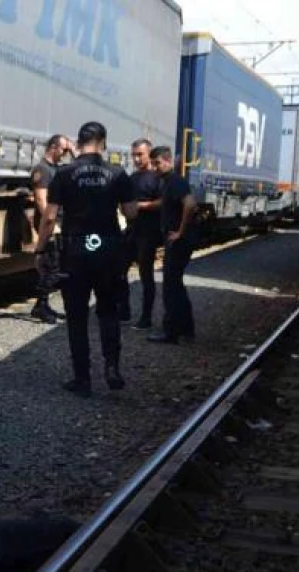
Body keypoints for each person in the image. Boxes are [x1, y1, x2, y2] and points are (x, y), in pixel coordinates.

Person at [35, 122, 138, 397]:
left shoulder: (64, 173)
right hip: (107, 251)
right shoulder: (117, 174)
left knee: (77, 317)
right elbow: (131, 213)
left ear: (79, 142)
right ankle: (112, 368)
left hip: (75, 253)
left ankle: (83, 379)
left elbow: (48, 216)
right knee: (108, 311)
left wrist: (40, 248)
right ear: (102, 142)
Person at [147, 146, 198, 344]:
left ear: (168, 161)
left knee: (171, 286)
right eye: (153, 163)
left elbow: (190, 204)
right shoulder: (168, 182)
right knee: (174, 285)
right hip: (177, 241)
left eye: (157, 162)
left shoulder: (175, 181)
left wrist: (180, 232)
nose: (154, 167)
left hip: (179, 242)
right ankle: (184, 331)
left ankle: (173, 332)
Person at [118, 138, 164, 329]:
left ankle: (145, 318)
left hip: (148, 233)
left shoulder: (157, 178)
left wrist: (141, 206)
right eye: (134, 155)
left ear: (149, 154)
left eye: (140, 155)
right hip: (131, 230)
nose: (136, 159)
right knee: (119, 271)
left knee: (146, 275)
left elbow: (164, 201)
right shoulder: (132, 178)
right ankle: (124, 312)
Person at [28, 134, 72, 324]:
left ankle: (43, 304)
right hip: (50, 225)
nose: (65, 153)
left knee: (56, 266)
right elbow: (41, 200)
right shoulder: (42, 169)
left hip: (59, 223)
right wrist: (51, 224)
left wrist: (72, 150)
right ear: (53, 147)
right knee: (51, 267)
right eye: (63, 149)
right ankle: (40, 306)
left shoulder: (56, 169)